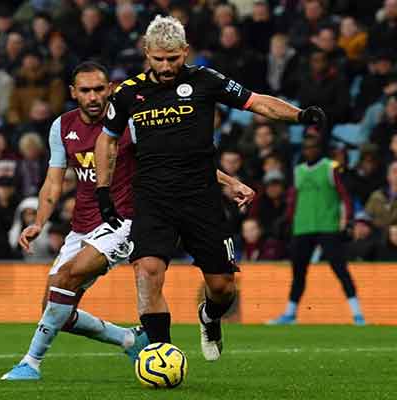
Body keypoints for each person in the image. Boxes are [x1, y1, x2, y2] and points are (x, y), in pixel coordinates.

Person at [94, 15, 323, 361]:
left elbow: (256, 100)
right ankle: (160, 351)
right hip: (152, 197)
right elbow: (106, 141)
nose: (167, 66)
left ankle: (209, 316)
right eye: (159, 58)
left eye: (174, 58)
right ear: (146, 53)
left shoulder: (206, 80)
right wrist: (103, 190)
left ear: (186, 51)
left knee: (221, 288)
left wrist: (300, 115)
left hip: (201, 197)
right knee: (148, 270)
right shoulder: (127, 93)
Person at [1, 61, 147, 381]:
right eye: (85, 90)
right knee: (54, 310)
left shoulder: (130, 122)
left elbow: (168, 158)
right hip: (81, 225)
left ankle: (31, 362)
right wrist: (39, 222)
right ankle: (129, 339)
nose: (93, 97)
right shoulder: (61, 126)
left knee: (67, 278)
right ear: (73, 93)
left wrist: (222, 181)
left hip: (123, 219)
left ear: (109, 89)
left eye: (99, 89)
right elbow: (53, 182)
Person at [269, 136, 365, 325]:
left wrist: (348, 221)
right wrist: (287, 220)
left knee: (340, 269)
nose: (309, 151)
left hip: (327, 225)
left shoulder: (331, 168)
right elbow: (294, 199)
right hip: (302, 226)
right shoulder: (299, 171)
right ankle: (290, 313)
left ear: (320, 149)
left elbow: (344, 196)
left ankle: (357, 314)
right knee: (298, 272)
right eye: (306, 148)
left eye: (313, 147)